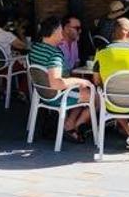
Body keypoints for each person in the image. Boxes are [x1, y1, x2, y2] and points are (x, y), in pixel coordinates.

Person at [29, 16, 95, 144]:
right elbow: (56, 83)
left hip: (42, 94)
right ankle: (70, 126)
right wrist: (80, 81)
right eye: (60, 31)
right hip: (58, 95)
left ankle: (69, 125)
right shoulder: (55, 54)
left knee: (84, 91)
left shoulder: (35, 48)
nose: (62, 34)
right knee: (94, 96)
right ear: (53, 33)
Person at [93, 18, 129, 150]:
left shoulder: (101, 52)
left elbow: (97, 81)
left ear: (113, 33)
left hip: (112, 103)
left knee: (110, 93)